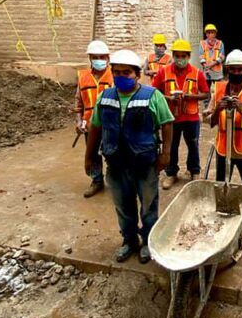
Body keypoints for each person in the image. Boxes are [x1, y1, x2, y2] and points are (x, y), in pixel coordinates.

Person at [85, 50, 174, 264]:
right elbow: (95, 127)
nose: (121, 76)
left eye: (127, 72)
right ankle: (129, 241)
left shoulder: (153, 96)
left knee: (148, 207)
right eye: (117, 72)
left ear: (137, 74)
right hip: (115, 163)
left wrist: (166, 154)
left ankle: (148, 242)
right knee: (123, 206)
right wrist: (89, 156)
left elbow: (167, 123)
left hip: (145, 164)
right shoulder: (105, 97)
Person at [152, 39, 210, 189]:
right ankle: (171, 173)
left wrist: (192, 97)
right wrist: (169, 98)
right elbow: (154, 91)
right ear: (173, 55)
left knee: (193, 145)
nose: (180, 59)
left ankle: (194, 171)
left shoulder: (197, 73)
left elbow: (205, 93)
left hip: (191, 117)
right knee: (171, 146)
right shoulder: (163, 72)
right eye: (177, 56)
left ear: (188, 56)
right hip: (170, 117)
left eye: (183, 56)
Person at [209, 49, 242, 185]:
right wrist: (217, 109)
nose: (236, 73)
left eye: (240, 70)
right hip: (223, 148)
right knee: (221, 186)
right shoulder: (218, 89)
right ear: (227, 70)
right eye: (233, 69)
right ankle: (222, 207)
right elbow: (208, 120)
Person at [75, 40, 113, 198]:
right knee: (92, 153)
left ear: (108, 58)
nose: (99, 60)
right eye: (95, 57)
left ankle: (117, 181)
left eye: (102, 56)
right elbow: (78, 101)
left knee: (112, 152)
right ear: (90, 58)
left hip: (111, 123)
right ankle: (97, 180)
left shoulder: (115, 75)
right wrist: (78, 120)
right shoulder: (83, 77)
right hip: (89, 124)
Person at [200, 23, 225, 103]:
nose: (210, 34)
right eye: (208, 32)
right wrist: (205, 66)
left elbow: (222, 57)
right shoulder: (202, 43)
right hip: (207, 71)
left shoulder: (220, 43)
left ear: (215, 33)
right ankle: (207, 106)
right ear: (206, 34)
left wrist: (211, 64)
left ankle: (219, 104)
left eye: (212, 32)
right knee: (206, 90)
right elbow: (201, 56)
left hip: (217, 72)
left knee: (219, 89)